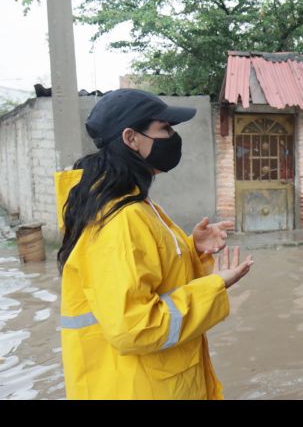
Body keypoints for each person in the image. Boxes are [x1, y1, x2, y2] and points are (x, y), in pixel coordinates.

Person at [54, 89, 252, 399]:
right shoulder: (120, 219)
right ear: (131, 138)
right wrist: (213, 286)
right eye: (165, 129)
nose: (173, 137)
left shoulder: (135, 205)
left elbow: (149, 276)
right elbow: (135, 326)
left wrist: (191, 248)